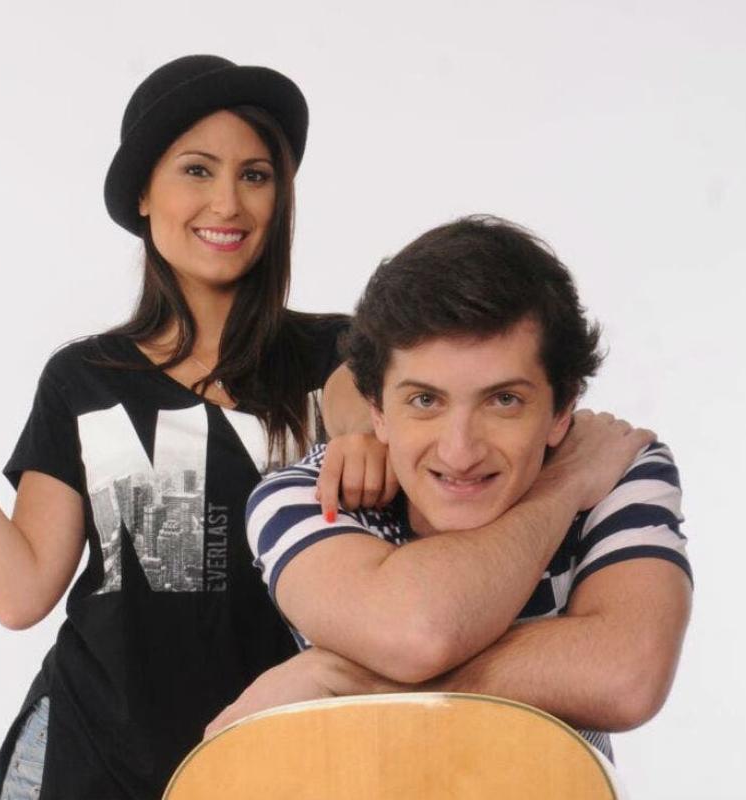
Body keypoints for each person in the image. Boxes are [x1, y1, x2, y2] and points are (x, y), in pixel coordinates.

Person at [0, 55, 388, 800]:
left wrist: (362, 435)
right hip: (83, 761)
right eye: (197, 170)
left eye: (255, 175)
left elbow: (355, 405)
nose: (227, 202)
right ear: (144, 192)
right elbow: (21, 593)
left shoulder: (336, 354)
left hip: (275, 766)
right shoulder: (83, 380)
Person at [212, 215, 693, 764]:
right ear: (377, 410)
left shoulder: (618, 465)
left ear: (563, 409)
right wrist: (562, 489)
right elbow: (419, 634)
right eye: (425, 401)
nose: (460, 451)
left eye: (504, 401)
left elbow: (626, 678)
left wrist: (350, 681)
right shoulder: (311, 494)